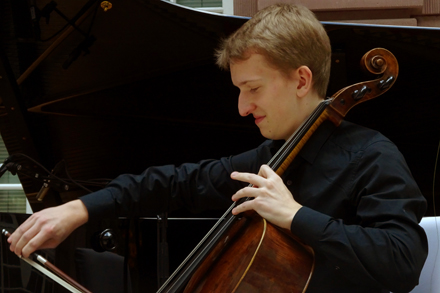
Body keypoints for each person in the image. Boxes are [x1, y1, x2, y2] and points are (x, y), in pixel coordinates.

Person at [7, 4, 427, 292]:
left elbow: (404, 261)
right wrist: (80, 208)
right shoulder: (270, 159)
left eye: (253, 88)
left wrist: (296, 217)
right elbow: (174, 182)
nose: (243, 108)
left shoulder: (372, 155)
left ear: (301, 80)